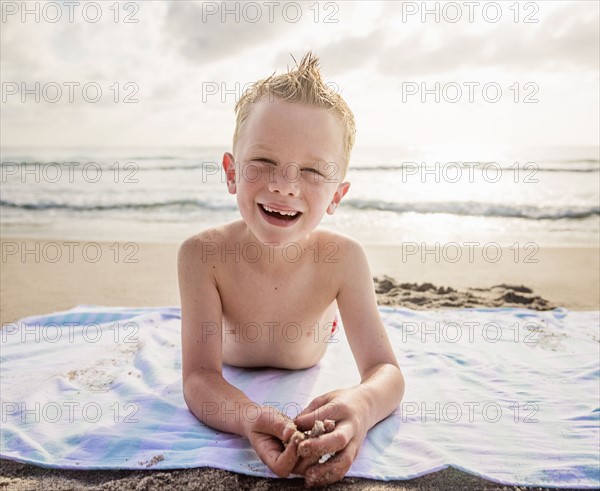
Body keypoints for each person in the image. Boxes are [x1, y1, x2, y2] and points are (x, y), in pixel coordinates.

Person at [178, 52, 405, 488]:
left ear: (336, 196)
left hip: (312, 348)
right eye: (262, 161)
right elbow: (199, 377)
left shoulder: (343, 258)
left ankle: (330, 323)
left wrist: (361, 406)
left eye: (312, 170)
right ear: (231, 172)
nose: (284, 184)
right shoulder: (201, 255)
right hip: (233, 352)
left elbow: (386, 372)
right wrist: (248, 417)